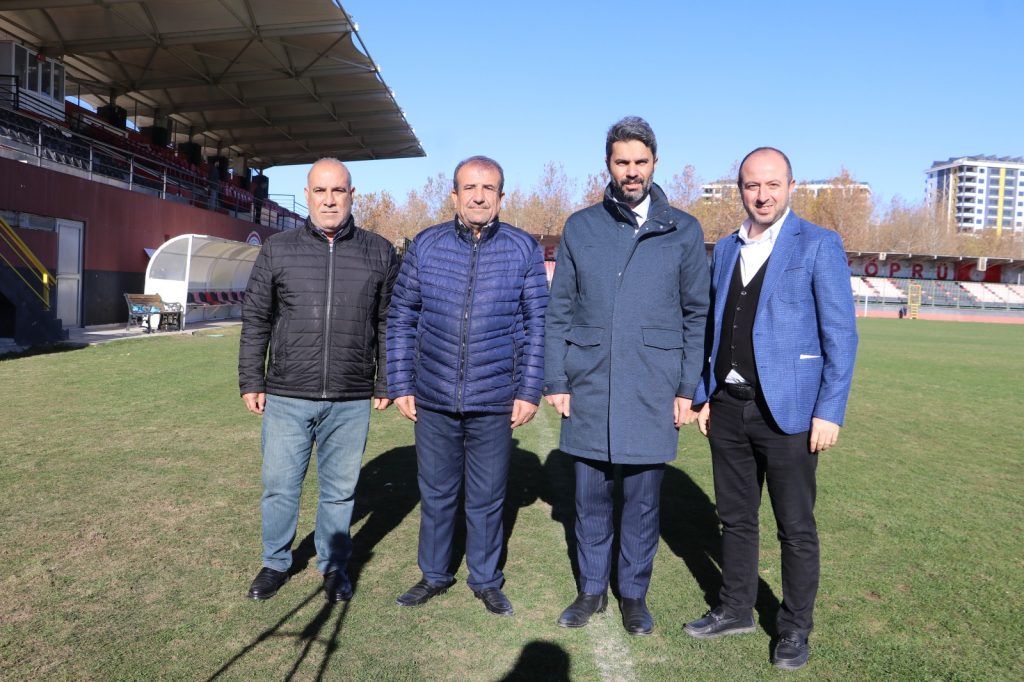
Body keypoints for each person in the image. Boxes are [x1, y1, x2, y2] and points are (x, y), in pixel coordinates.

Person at [683, 147, 858, 671]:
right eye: (752, 186)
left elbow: (840, 336)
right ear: (740, 188)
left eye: (772, 185)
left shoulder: (819, 245)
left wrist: (829, 411)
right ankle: (735, 608)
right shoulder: (725, 250)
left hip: (792, 413)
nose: (762, 195)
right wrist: (703, 393)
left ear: (790, 187)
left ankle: (794, 629)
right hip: (728, 407)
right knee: (735, 519)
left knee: (795, 527)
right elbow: (713, 325)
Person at [543, 117, 710, 635]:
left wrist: (688, 388)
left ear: (654, 162)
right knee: (589, 499)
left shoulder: (683, 229)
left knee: (641, 504)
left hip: (652, 387)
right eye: (622, 162)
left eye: (640, 161)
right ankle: (591, 590)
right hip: (589, 382)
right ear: (609, 165)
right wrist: (557, 379)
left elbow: (696, 314)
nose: (631, 171)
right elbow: (559, 310)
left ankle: (633, 595)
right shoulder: (581, 226)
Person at [386, 155, 548, 617]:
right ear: (454, 195)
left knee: (488, 494)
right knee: (436, 492)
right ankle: (434, 574)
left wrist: (528, 388)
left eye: (489, 188)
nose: (479, 196)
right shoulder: (426, 245)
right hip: (433, 394)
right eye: (470, 188)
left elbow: (539, 323)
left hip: (496, 397)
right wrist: (400, 383)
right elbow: (401, 317)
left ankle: (485, 579)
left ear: (502, 195)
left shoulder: (522, 248)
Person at [238, 158, 397, 604]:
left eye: (339, 191)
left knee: (340, 491)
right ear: (307, 195)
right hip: (288, 393)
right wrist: (253, 378)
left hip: (350, 397)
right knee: (280, 486)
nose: (330, 200)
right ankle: (275, 562)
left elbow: (389, 322)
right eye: (321, 191)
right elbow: (257, 318)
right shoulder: (278, 249)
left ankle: (333, 566)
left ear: (352, 194)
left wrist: (385, 380)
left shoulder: (380, 251)